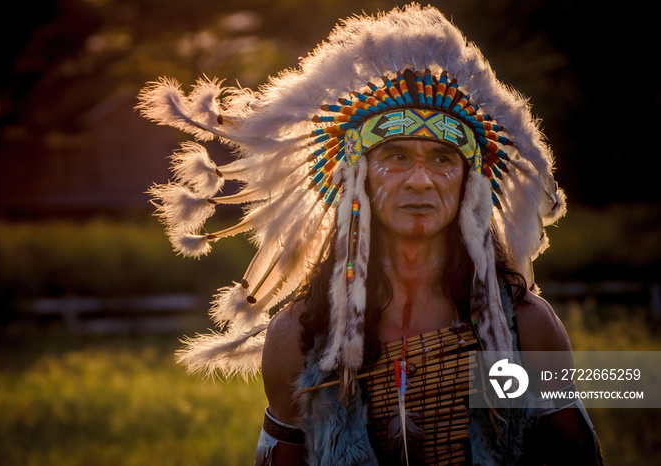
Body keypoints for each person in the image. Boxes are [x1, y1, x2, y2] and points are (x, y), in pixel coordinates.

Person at [138, 5, 603, 464]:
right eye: (396, 156)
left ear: (469, 184)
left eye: (442, 158)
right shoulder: (300, 337)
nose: (420, 180)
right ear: (356, 179)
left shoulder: (521, 328)